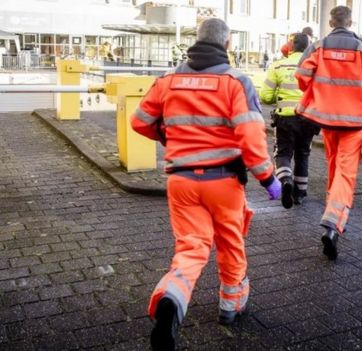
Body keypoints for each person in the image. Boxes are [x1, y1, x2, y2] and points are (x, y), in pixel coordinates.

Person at [131, 18, 280, 350]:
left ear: (195, 41)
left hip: (181, 180)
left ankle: (172, 296)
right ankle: (231, 304)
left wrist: (169, 138)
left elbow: (139, 121)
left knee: (191, 247)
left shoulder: (168, 80)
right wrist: (267, 177)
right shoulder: (236, 82)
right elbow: (251, 136)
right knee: (230, 241)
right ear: (227, 44)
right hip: (224, 181)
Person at [295, 5, 362, 260]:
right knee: (345, 173)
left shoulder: (318, 46)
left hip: (327, 120)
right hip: (354, 122)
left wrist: (321, 92)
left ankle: (332, 211)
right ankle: (333, 223)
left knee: (334, 167)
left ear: (331, 22)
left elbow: (301, 76)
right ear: (350, 22)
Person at [260, 33, 319, 209]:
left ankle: (285, 180)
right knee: (303, 154)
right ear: (308, 47)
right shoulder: (315, 67)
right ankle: (300, 193)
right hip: (308, 118)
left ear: (291, 47)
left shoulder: (277, 65)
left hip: (285, 119)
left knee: (283, 153)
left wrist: (278, 97)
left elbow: (265, 96)